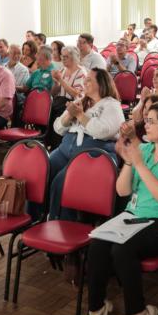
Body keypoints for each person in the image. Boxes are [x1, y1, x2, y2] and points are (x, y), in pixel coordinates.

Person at [87, 101, 158, 315]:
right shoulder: (143, 150)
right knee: (96, 245)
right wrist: (128, 162)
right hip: (134, 216)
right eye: (146, 120)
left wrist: (138, 163)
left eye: (151, 121)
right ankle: (96, 310)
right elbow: (123, 191)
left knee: (122, 249)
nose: (145, 125)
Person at [49, 68, 125, 220]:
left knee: (61, 181)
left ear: (102, 83)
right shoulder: (80, 100)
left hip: (93, 154)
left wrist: (80, 116)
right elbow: (58, 128)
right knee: (43, 170)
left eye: (89, 79)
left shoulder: (111, 105)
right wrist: (69, 115)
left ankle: (59, 222)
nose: (85, 82)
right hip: (65, 150)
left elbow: (104, 131)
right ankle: (36, 215)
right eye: (85, 79)